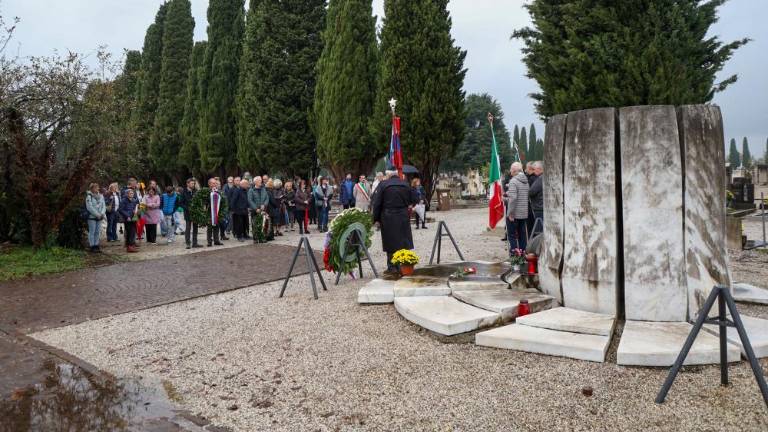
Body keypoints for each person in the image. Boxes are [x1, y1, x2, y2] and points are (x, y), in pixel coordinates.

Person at [372, 170, 417, 274]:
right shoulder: (405, 184)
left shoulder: (383, 185)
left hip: (388, 216)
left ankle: (392, 267)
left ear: (389, 176)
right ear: (397, 176)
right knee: (403, 241)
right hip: (402, 215)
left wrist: (375, 218)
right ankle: (404, 265)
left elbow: (377, 203)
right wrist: (408, 205)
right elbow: (415, 199)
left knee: (390, 242)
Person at [506, 162, 529, 252]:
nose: (510, 171)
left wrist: (511, 213)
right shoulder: (525, 181)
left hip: (514, 214)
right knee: (522, 235)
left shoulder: (513, 181)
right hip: (523, 213)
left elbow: (513, 198)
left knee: (511, 235)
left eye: (511, 169)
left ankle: (515, 257)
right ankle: (523, 254)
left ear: (515, 170)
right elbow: (522, 194)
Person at [179, 178, 201, 249]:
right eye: (192, 183)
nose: (193, 185)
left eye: (194, 183)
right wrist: (187, 208)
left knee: (195, 228)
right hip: (188, 213)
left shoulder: (195, 191)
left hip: (195, 213)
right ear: (187, 184)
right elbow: (181, 203)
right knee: (188, 228)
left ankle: (195, 243)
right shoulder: (183, 192)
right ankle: (188, 243)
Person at [248, 176, 269, 243]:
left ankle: (262, 237)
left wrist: (264, 205)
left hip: (263, 209)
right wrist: (255, 208)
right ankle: (255, 238)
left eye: (261, 180)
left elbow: (267, 198)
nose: (261, 181)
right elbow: (250, 200)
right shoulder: (251, 190)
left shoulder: (263, 189)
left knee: (263, 223)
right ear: (255, 182)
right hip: (255, 211)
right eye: (259, 180)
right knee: (255, 224)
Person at [85, 183, 106, 252]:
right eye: (96, 188)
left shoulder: (101, 196)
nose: (97, 189)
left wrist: (102, 213)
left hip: (100, 216)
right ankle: (92, 246)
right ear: (92, 189)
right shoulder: (89, 196)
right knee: (92, 231)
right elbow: (89, 207)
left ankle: (96, 245)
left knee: (97, 232)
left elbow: (103, 205)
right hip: (92, 217)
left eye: (98, 187)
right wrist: (97, 214)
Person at [204, 178, 224, 247]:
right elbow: (204, 202)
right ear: (209, 184)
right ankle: (209, 241)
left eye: (215, 183)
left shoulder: (218, 192)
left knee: (217, 226)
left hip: (217, 211)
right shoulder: (206, 192)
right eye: (213, 183)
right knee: (210, 227)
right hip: (209, 211)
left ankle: (216, 240)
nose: (214, 184)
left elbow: (222, 201)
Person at [119, 188, 140, 253]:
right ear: (127, 194)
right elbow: (121, 210)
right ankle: (129, 246)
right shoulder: (123, 200)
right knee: (129, 232)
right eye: (130, 193)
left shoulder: (134, 200)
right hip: (127, 218)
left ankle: (131, 245)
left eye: (132, 193)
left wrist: (136, 211)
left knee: (133, 231)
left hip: (134, 218)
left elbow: (135, 208)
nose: (132, 194)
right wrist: (127, 216)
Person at [528, 161, 544, 236]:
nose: (534, 171)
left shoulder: (540, 179)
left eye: (535, 169)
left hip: (539, 207)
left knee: (538, 231)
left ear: (540, 169)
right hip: (542, 206)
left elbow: (531, 191)